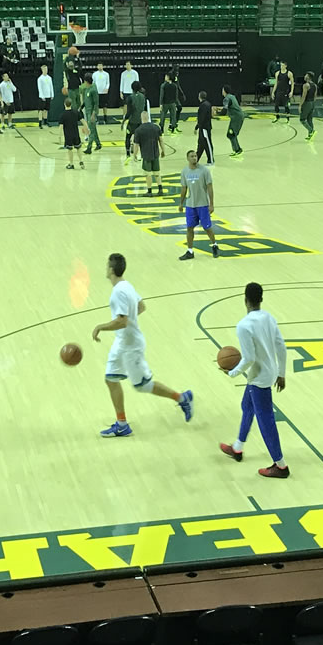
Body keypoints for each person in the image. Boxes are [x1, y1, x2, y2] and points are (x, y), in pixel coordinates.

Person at [92, 251, 191, 438]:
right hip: (123, 341)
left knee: (143, 386)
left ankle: (182, 398)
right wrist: (130, 322)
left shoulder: (118, 292)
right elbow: (141, 307)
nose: (106, 269)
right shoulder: (126, 285)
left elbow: (122, 321)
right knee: (111, 379)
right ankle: (122, 424)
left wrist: (100, 327)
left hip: (130, 345)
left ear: (111, 270)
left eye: (107, 266)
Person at [219, 280, 289, 478]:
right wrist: (282, 373)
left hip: (259, 378)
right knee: (246, 406)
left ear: (245, 300)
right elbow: (281, 347)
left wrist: (231, 373)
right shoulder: (269, 318)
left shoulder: (244, 326)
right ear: (261, 299)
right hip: (268, 373)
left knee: (266, 421)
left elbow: (248, 359)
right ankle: (238, 448)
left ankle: (281, 466)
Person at [179, 148, 221, 260]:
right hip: (190, 205)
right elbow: (184, 188)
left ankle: (215, 245)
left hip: (202, 204)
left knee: (207, 227)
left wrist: (211, 204)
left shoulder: (204, 171)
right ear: (187, 158)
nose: (194, 158)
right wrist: (181, 203)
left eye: (195, 156)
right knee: (189, 228)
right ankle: (190, 251)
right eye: (192, 156)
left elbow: (210, 188)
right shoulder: (184, 172)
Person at [134, 114, 163, 194]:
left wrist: (134, 155)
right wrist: (163, 150)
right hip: (155, 153)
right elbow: (161, 140)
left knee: (148, 174)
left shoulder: (138, 130)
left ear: (141, 118)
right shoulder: (156, 127)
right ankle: (160, 189)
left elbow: (136, 145)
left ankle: (149, 191)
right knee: (157, 173)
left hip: (146, 155)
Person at [124, 80, 148, 158]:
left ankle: (128, 153)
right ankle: (141, 152)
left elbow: (129, 111)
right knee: (140, 138)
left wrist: (124, 120)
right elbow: (145, 110)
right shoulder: (143, 97)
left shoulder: (130, 98)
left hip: (132, 121)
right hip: (140, 121)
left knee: (128, 136)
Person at [219, 85, 245, 158]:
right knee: (231, 134)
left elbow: (224, 112)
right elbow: (230, 108)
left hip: (236, 118)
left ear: (224, 91)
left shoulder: (226, 99)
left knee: (231, 134)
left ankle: (238, 150)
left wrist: (215, 114)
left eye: (222, 90)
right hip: (237, 117)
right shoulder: (232, 96)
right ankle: (237, 150)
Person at [60, 98, 85, 169]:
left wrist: (59, 136)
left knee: (70, 149)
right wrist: (87, 128)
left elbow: (61, 127)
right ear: (71, 104)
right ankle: (81, 161)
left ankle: (71, 164)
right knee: (78, 148)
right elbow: (83, 121)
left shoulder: (63, 115)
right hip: (76, 134)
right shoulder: (76, 112)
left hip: (68, 135)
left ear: (64, 104)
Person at [80, 75, 101, 154]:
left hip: (92, 112)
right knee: (93, 129)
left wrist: (93, 114)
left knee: (91, 130)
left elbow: (96, 103)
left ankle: (89, 148)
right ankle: (98, 144)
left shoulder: (93, 90)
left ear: (86, 81)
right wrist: (81, 107)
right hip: (87, 111)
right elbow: (85, 100)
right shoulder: (86, 89)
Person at [194, 90, 216, 165]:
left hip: (204, 128)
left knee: (207, 144)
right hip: (203, 128)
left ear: (199, 97)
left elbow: (201, 118)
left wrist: (197, 127)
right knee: (201, 144)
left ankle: (211, 160)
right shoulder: (207, 104)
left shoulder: (203, 105)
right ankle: (196, 160)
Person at [159, 69, 182, 134]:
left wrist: (160, 104)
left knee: (163, 116)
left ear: (168, 77)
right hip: (172, 103)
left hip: (165, 103)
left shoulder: (163, 85)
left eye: (166, 76)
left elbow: (161, 95)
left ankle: (161, 129)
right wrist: (176, 103)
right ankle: (172, 129)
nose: (165, 77)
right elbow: (176, 96)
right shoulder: (175, 86)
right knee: (173, 116)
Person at [298, 72, 318, 141]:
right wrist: (313, 105)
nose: (304, 76)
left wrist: (300, 105)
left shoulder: (306, 85)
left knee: (302, 119)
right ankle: (310, 135)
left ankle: (311, 131)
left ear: (308, 77)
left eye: (306, 75)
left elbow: (304, 96)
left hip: (307, 103)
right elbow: (315, 96)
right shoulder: (315, 85)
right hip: (312, 103)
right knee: (310, 120)